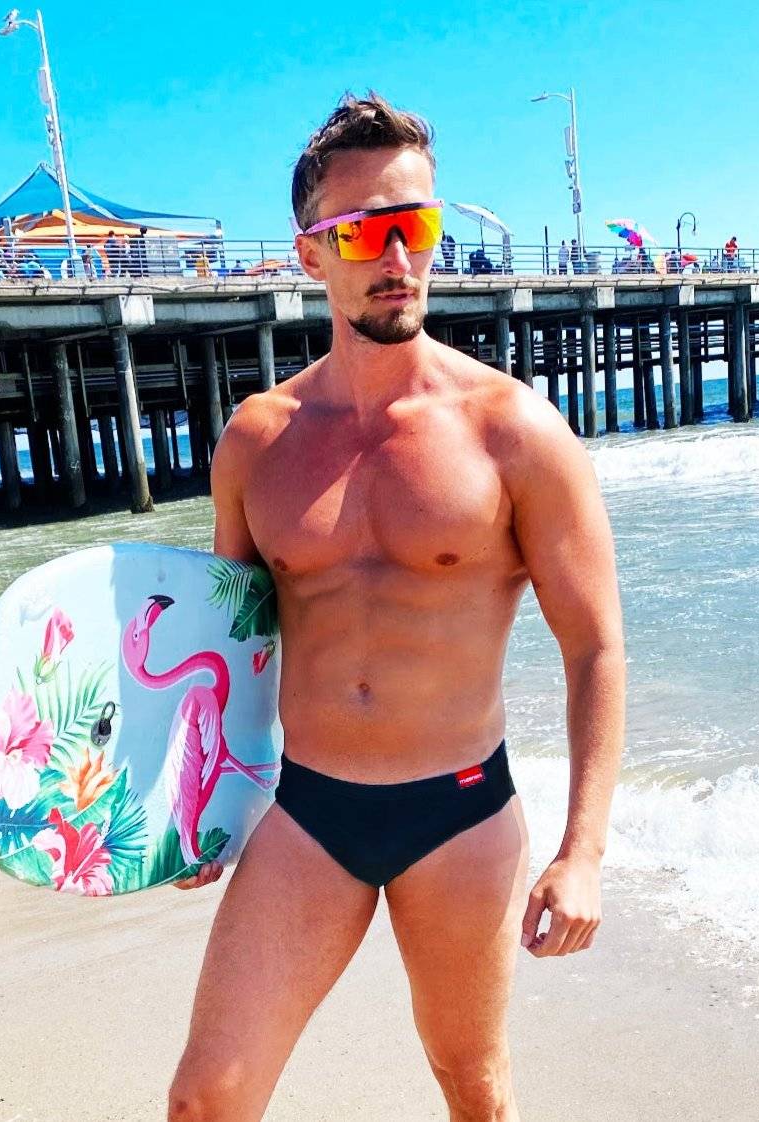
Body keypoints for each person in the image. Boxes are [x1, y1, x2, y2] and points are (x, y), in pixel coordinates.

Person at [164, 91, 625, 1122]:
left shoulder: (516, 433)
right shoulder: (257, 440)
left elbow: (594, 647)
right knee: (207, 1098)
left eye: (415, 225)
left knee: (474, 1087)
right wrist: (194, 813)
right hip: (307, 810)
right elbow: (231, 644)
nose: (397, 255)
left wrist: (582, 853)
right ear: (309, 256)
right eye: (364, 231)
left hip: (458, 812)